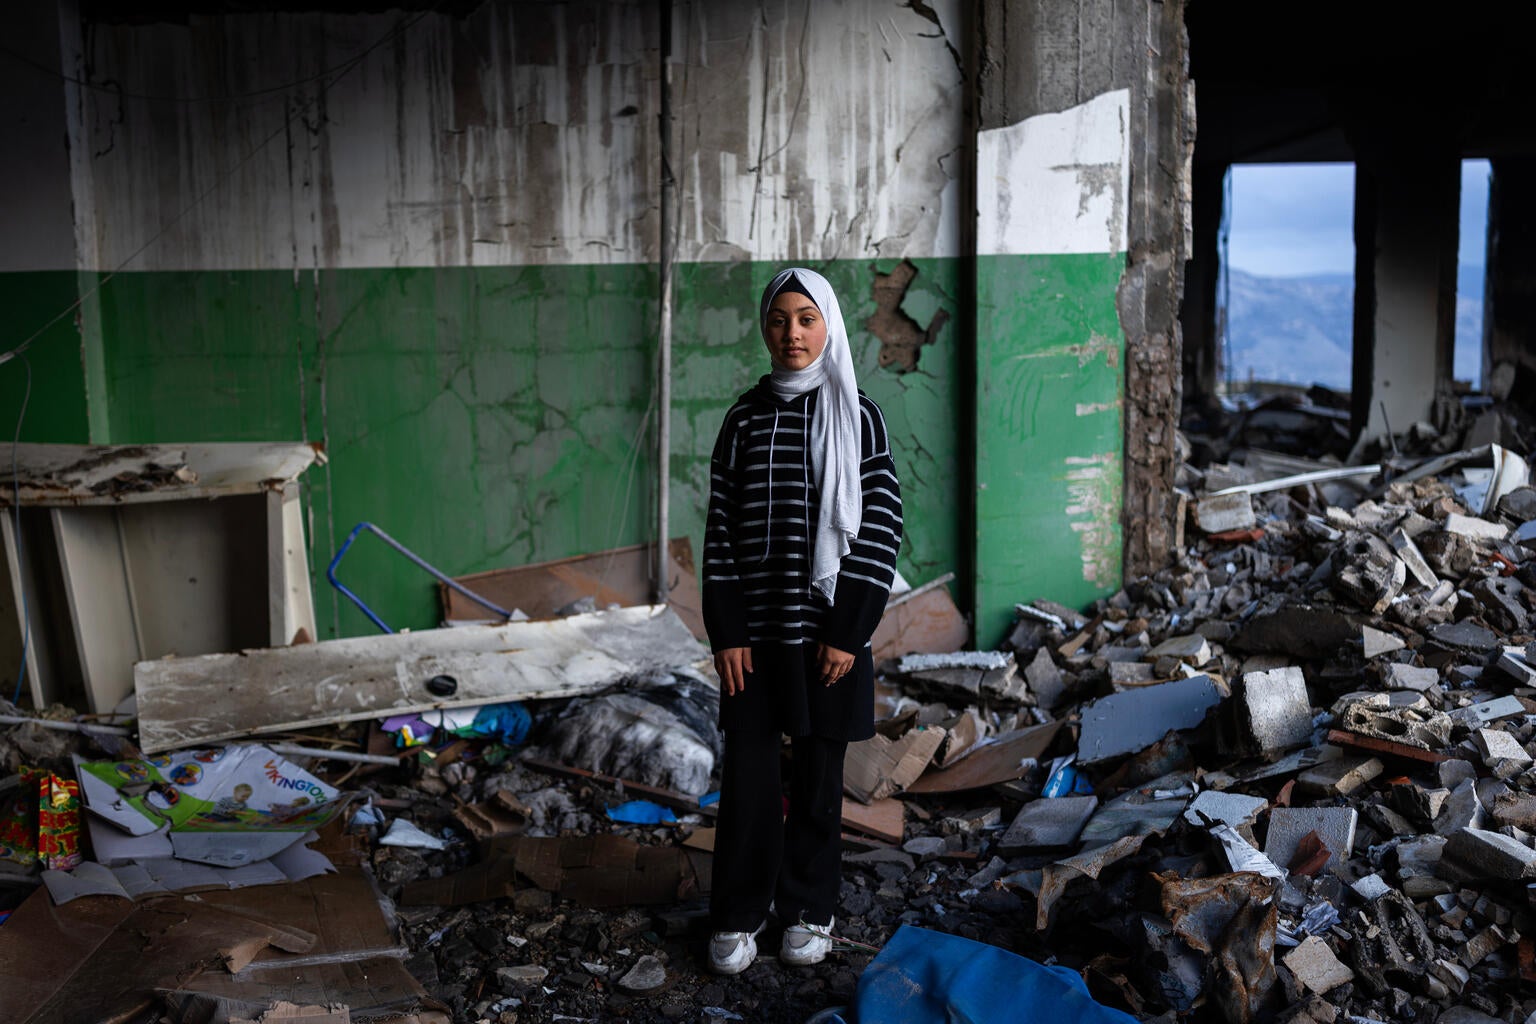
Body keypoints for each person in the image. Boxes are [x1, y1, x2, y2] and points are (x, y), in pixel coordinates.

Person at [702, 267, 903, 974]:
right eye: (780, 319)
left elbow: (881, 527)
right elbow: (720, 531)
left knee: (818, 782)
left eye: (807, 319)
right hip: (754, 641)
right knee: (751, 783)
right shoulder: (743, 419)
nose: (793, 333)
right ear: (765, 327)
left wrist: (849, 629)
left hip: (829, 641)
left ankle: (809, 910)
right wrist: (726, 628)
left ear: (829, 327)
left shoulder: (858, 415)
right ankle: (737, 915)